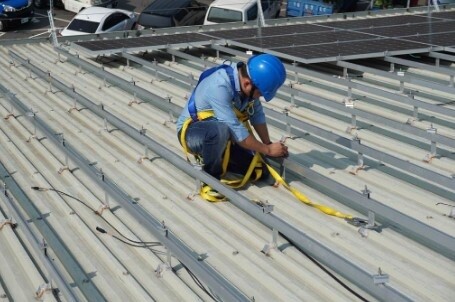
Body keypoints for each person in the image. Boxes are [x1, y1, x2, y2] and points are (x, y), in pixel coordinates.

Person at [176, 53, 288, 186]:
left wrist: (267, 143)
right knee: (218, 131)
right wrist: (268, 150)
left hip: (225, 134)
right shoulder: (220, 86)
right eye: (260, 93)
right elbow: (236, 129)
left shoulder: (248, 81)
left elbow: (257, 114)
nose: (259, 97)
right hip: (194, 132)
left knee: (259, 172)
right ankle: (210, 178)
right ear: (247, 84)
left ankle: (219, 157)